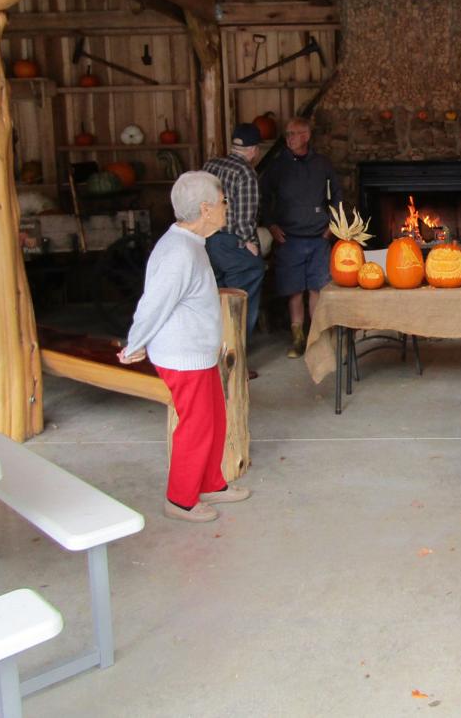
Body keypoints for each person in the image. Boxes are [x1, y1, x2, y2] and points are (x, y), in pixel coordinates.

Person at [119, 171, 250, 523]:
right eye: (223, 202)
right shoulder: (178, 251)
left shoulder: (192, 244)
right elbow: (154, 303)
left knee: (214, 419)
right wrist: (135, 343)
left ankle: (209, 483)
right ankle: (180, 499)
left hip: (199, 353)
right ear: (206, 209)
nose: (226, 208)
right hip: (182, 356)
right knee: (195, 425)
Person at [260, 116, 343, 358]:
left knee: (317, 289)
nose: (289, 138)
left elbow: (337, 195)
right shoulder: (277, 166)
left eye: (293, 134)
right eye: (287, 134)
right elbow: (264, 198)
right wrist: (271, 225)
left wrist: (333, 227)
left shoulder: (322, 164)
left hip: (319, 238)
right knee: (294, 290)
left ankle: (316, 338)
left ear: (306, 136)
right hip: (290, 239)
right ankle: (297, 339)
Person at [203, 122, 265, 373]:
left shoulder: (211, 165)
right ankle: (235, 360)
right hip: (228, 243)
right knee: (243, 292)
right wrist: (249, 243)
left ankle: (212, 357)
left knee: (214, 298)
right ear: (254, 150)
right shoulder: (246, 173)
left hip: (205, 241)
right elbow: (245, 218)